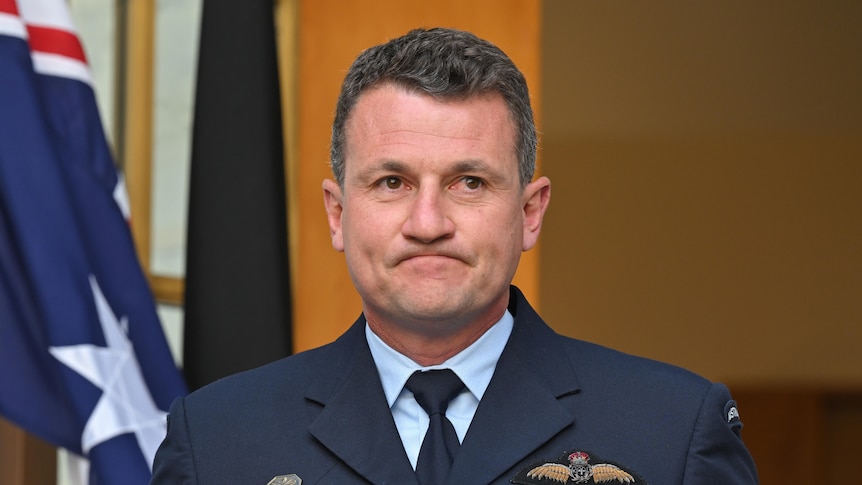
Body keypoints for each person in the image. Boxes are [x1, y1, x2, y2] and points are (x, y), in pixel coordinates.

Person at [151, 27, 758, 485]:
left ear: (530, 211)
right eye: (392, 182)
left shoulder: (671, 432)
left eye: (469, 182)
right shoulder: (216, 442)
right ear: (337, 214)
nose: (428, 224)